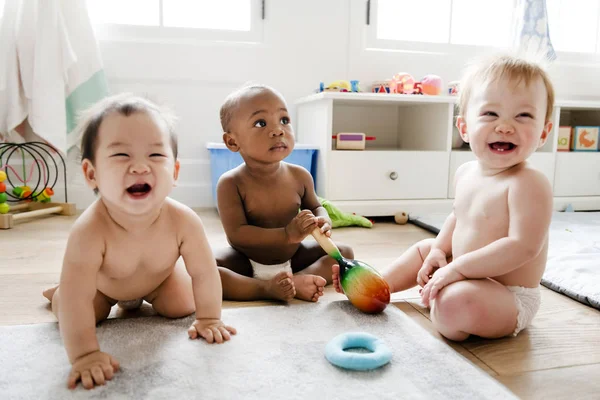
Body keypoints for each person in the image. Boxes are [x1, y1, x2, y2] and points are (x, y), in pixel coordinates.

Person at [334, 54, 554, 340]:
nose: (505, 126)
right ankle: (374, 288)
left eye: (523, 115)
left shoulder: (529, 183)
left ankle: (444, 303)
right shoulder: (465, 172)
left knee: (454, 302)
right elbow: (457, 218)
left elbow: (523, 246)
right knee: (424, 248)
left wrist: (459, 269)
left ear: (544, 132)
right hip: (465, 273)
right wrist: (439, 251)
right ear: (464, 128)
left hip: (506, 296)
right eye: (490, 114)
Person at [43, 93, 236, 390]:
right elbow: (76, 302)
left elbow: (204, 272)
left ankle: (154, 297)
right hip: (102, 287)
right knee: (77, 308)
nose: (140, 167)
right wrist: (84, 354)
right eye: (121, 155)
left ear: (174, 172)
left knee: (183, 303)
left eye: (155, 155)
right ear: (91, 173)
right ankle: (59, 290)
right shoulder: (88, 231)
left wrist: (209, 317)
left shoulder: (183, 220)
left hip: (159, 281)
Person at [215, 84, 353, 302]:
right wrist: (287, 234)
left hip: (293, 255)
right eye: (261, 123)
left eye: (284, 120)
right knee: (206, 269)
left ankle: (297, 280)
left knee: (344, 253)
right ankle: (264, 288)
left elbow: (315, 206)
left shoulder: (300, 176)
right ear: (232, 141)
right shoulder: (230, 183)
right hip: (247, 261)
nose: (278, 130)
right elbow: (237, 234)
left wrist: (323, 220)